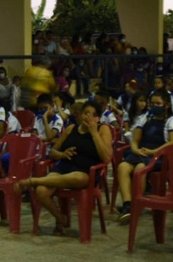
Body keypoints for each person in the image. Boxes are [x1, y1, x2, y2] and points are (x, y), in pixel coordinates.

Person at [13, 100, 113, 236]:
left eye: (92, 115)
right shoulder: (71, 129)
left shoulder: (103, 129)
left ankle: (32, 181)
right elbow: (53, 152)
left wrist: (94, 133)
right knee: (41, 191)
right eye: (85, 113)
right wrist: (62, 154)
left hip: (85, 172)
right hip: (64, 168)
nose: (88, 117)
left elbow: (107, 157)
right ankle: (60, 218)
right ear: (81, 114)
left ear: (98, 118)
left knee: (78, 177)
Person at [116, 90, 173, 221]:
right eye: (152, 103)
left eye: (158, 103)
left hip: (161, 156)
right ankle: (127, 204)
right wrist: (135, 149)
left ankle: (138, 204)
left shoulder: (172, 121)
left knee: (140, 168)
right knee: (123, 167)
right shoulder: (145, 117)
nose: (154, 106)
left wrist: (154, 152)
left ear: (166, 105)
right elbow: (135, 139)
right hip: (142, 152)